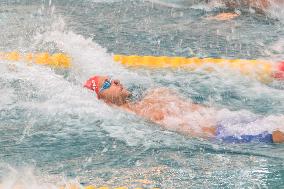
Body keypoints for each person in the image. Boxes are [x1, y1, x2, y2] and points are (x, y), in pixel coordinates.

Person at [84, 75, 284, 143]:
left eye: (111, 78)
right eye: (107, 84)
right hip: (222, 135)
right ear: (102, 100)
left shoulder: (147, 100)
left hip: (228, 119)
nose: (115, 81)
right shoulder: (127, 117)